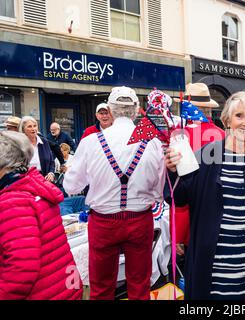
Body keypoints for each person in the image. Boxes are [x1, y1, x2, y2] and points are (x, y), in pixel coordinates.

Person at [63, 86, 166, 300]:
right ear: (137, 110)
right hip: (140, 220)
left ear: (110, 110)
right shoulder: (152, 142)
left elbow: (71, 187)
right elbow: (159, 191)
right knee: (140, 286)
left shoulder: (91, 141)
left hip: (103, 223)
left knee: (101, 289)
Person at [165, 91, 245, 300]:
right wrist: (173, 170)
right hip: (209, 263)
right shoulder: (204, 155)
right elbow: (179, 196)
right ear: (227, 119)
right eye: (239, 115)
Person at [0, 131, 82, 300]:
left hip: (45, 291)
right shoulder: (33, 186)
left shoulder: (13, 201)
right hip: (63, 285)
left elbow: (22, 270)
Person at [172, 83, 226, 252]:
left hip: (188, 215)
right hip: (217, 212)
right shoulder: (221, 134)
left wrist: (178, 235)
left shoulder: (178, 135)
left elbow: (176, 186)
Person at [19, 116, 56, 183]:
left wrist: (51, 173)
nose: (33, 129)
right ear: (23, 129)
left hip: (44, 180)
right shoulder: (20, 144)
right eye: (29, 126)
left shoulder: (44, 142)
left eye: (35, 126)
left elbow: (51, 162)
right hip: (26, 181)